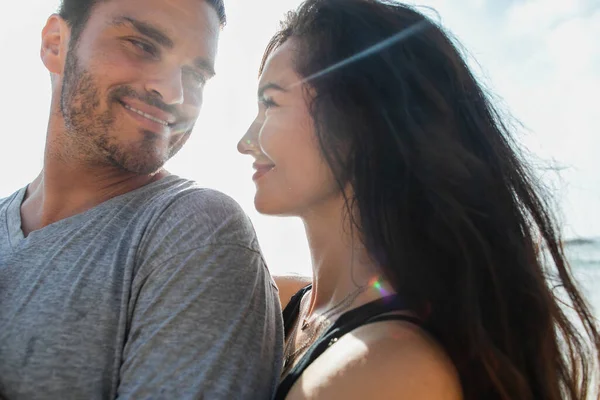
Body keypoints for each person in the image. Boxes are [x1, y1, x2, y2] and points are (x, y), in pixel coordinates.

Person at [238, 0, 600, 399]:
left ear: (360, 119)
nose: (244, 142)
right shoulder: (291, 307)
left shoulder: (388, 371)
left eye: (270, 103)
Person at [0, 0, 283, 398]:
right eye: (142, 45)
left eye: (196, 75)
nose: (172, 92)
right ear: (55, 44)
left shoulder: (195, 230)